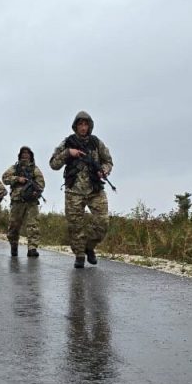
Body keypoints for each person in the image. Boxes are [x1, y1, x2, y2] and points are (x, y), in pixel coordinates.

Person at [49, 111, 114, 268]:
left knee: (102, 222)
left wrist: (104, 170)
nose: (83, 127)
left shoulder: (96, 143)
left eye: (86, 124)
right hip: (73, 192)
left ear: (90, 126)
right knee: (75, 226)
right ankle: (79, 255)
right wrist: (68, 153)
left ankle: (89, 247)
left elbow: (108, 162)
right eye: (80, 124)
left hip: (94, 190)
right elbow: (53, 164)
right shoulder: (67, 142)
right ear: (75, 126)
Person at [2, 146, 45, 257]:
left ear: (31, 155)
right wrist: (17, 179)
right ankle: (14, 245)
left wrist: (37, 192)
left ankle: (32, 248)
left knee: (33, 225)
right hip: (17, 201)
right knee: (14, 226)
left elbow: (41, 183)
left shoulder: (35, 169)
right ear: (20, 155)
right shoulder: (14, 168)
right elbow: (5, 178)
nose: (25, 155)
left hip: (31, 201)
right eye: (23, 153)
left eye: (27, 153)